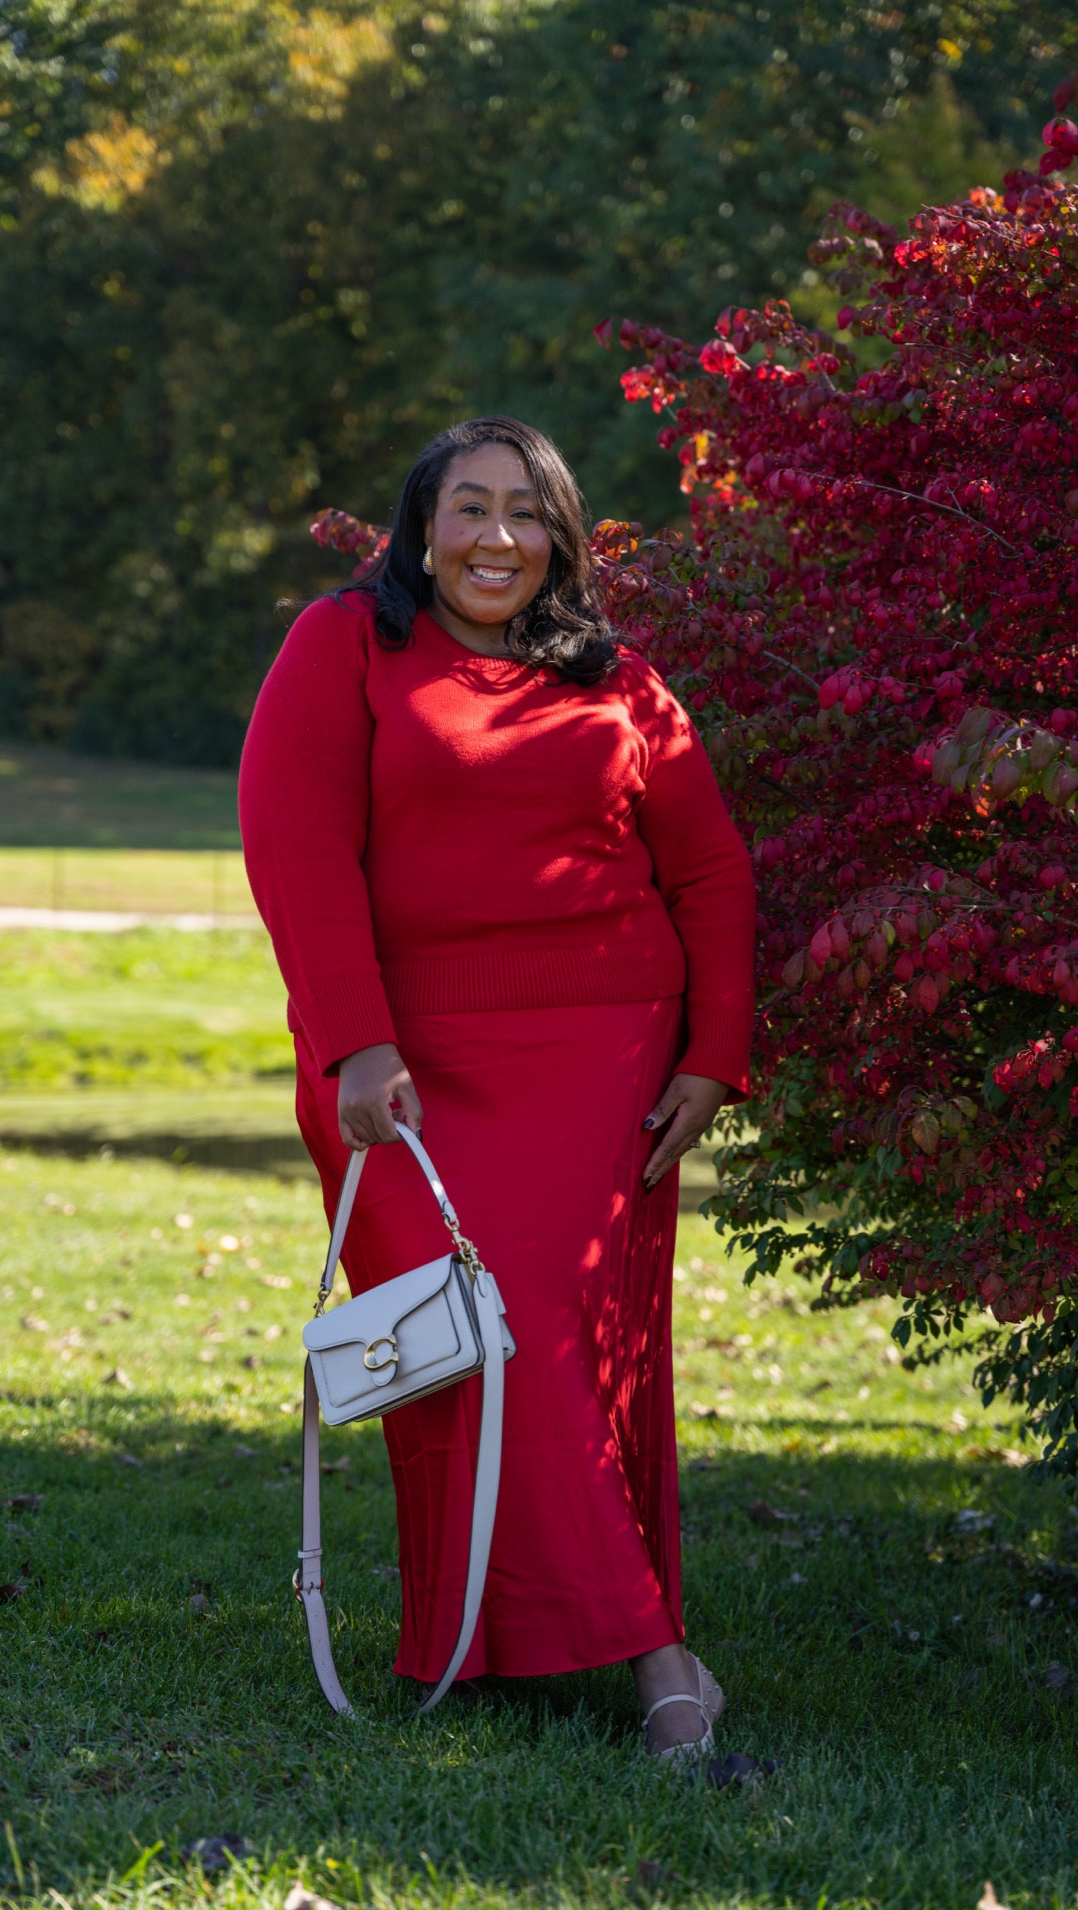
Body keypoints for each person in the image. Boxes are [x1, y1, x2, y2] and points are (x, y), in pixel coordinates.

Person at [239, 415, 755, 1761]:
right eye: (469, 508)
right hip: (398, 1067)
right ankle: (584, 1644)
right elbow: (297, 849)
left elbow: (706, 871)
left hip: (601, 1057)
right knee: (466, 1350)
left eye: (526, 515)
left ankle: (628, 1655)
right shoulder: (345, 643)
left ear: (559, 541)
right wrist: (353, 1041)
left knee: (554, 1353)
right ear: (422, 526)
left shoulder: (619, 680)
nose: (496, 538)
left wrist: (713, 1053)